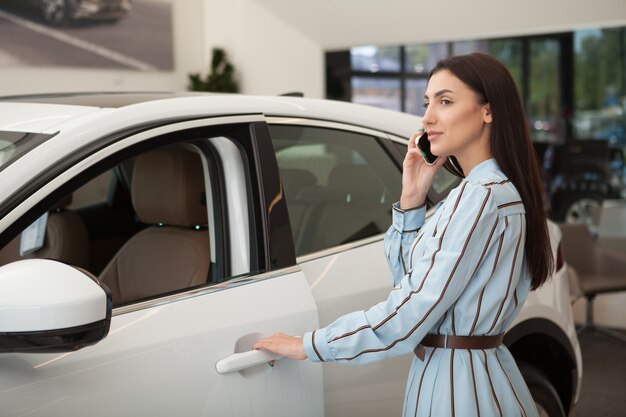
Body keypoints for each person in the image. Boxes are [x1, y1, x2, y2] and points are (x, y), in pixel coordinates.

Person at [253, 52, 554, 417]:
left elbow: (407, 315)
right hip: (475, 378)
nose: (428, 117)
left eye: (445, 101)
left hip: (457, 391)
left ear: (487, 111)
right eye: (427, 103)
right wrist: (411, 200)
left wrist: (310, 344)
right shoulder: (492, 191)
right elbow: (411, 285)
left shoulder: (481, 196)